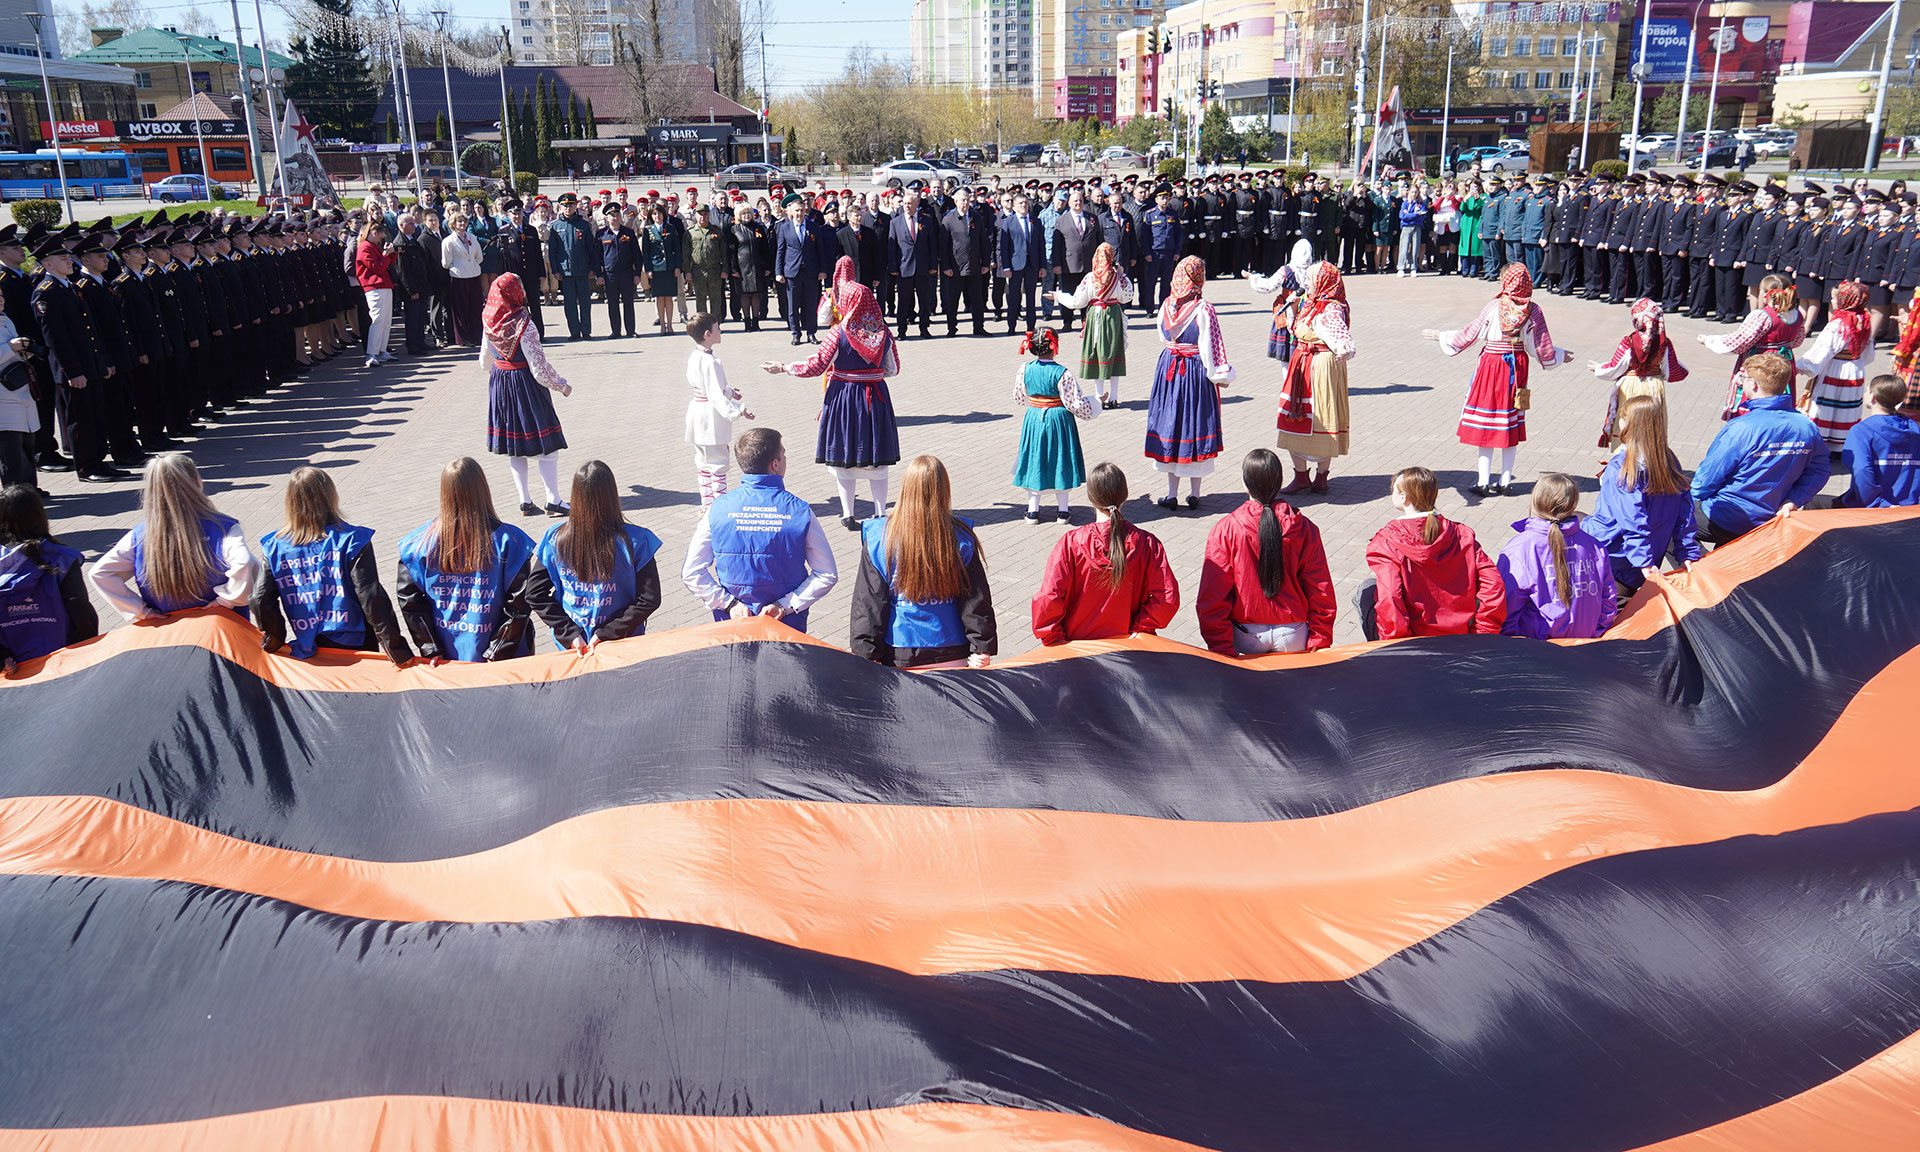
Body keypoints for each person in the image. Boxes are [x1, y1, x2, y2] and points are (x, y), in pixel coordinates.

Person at [761, 258, 900, 529]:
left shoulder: (839, 333)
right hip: (875, 397)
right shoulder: (884, 332)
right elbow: (893, 369)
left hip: (844, 397)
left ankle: (848, 514)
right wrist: (870, 373)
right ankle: (880, 513)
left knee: (846, 457)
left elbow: (817, 365)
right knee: (877, 461)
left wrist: (784, 367)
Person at [1424, 263, 1572, 496]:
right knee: (1510, 423)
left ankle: (1483, 481)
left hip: (1491, 365)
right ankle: (1505, 481)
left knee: (1487, 422)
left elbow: (1470, 334)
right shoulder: (1533, 310)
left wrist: (1442, 336)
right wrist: (1560, 355)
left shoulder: (1494, 306)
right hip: (1516, 367)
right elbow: (1540, 346)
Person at [252, 466, 412, 663]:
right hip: (355, 642)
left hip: (307, 643)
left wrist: (275, 637)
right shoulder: (352, 539)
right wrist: (396, 649)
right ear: (330, 495)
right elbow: (370, 596)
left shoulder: (275, 546)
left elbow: (259, 598)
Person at [849, 455, 996, 669]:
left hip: (900, 650)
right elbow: (975, 599)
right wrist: (982, 647)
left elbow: (869, 601)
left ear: (905, 489)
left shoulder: (878, 538)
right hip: (952, 649)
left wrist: (867, 653)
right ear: (944, 490)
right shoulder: (961, 537)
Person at [1195, 448, 1336, 656]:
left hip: (1244, 633)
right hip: (1293, 632)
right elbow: (1319, 586)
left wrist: (1220, 645)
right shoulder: (1304, 527)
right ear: (1279, 483)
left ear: (1245, 484)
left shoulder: (1226, 529)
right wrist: (1320, 637)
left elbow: (1213, 592)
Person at [396, 457, 536, 662]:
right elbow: (519, 605)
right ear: (483, 489)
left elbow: (410, 602)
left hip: (446, 656)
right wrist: (497, 651)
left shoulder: (418, 544)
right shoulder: (511, 541)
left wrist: (431, 648)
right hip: (503, 656)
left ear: (444, 492)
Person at [89, 453, 256, 623]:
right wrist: (226, 600)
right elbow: (245, 563)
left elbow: (100, 573)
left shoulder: (139, 535)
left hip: (168, 627)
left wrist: (140, 610)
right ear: (197, 483)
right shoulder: (223, 527)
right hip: (222, 624)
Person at [1029, 461, 1179, 645]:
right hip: (1128, 645)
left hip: (1077, 646)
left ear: (1091, 499)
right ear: (1124, 497)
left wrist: (1056, 641)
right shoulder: (1147, 543)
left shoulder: (1071, 543)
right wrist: (1141, 628)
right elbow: (1167, 598)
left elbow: (1049, 598)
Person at [1689, 353, 1829, 546]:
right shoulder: (1806, 426)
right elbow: (1820, 470)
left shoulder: (1741, 427)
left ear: (1753, 384)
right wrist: (1794, 500)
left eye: (1744, 377)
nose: (1741, 381)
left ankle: (1698, 563)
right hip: (1771, 516)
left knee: (1665, 520)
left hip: (1728, 517)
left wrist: (1688, 501)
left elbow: (1708, 478)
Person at [524, 460, 662, 652]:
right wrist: (608, 632)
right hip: (621, 641)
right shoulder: (637, 540)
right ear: (612, 495)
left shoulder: (555, 539)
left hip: (575, 646)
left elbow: (534, 594)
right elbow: (649, 598)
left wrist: (569, 633)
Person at [1358, 466, 1506, 641]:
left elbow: (1390, 595)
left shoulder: (1387, 541)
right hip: (1459, 634)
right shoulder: (1461, 534)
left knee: (1366, 590)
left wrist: (1398, 644)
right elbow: (1494, 584)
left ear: (1403, 497)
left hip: (1414, 638)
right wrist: (1482, 634)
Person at [1584, 394, 1702, 598]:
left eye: (1622, 417)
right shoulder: (1669, 461)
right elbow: (1685, 515)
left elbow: (1633, 520)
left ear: (1628, 424)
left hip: (1615, 558)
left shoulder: (1622, 467)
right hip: (1646, 556)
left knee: (1563, 526)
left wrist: (1644, 562)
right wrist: (1687, 553)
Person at [1144, 256, 1235, 510]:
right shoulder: (1204, 309)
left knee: (1172, 424)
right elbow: (1211, 348)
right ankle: (1194, 494)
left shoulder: (1166, 305)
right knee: (1194, 424)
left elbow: (1162, 336)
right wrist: (1221, 375)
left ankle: (1171, 494)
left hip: (1169, 369)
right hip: (1194, 371)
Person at [480, 273, 573, 517]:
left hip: (500, 384)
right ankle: (553, 499)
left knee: (515, 447)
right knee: (547, 446)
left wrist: (500, 373)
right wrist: (561, 385)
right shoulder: (524, 323)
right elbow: (538, 369)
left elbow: (484, 361)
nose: (522, 290)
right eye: (519, 287)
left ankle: (525, 500)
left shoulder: (488, 318)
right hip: (525, 385)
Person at [1495, 472, 1617, 641]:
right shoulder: (1595, 547)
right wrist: (1595, 633)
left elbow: (1505, 608)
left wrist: (1511, 643)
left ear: (1535, 501)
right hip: (1584, 644)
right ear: (1574, 504)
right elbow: (1608, 601)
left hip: (1538, 648)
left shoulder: (1520, 549)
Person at [1277, 261, 1356, 495]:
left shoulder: (1331, 308)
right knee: (1295, 416)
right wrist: (1292, 309)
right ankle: (1301, 476)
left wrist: (1345, 350)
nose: (1306, 283)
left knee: (1322, 415)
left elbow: (1343, 338)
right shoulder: (1310, 303)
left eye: (1311, 279)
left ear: (1323, 282)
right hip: (1303, 362)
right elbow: (1296, 330)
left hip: (1320, 365)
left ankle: (1321, 476)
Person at [0, 484, 97, 670]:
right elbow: (78, 606)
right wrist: (87, 646)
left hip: (11, 665)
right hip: (61, 658)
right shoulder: (62, 557)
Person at [1010, 328, 1098, 523]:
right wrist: (1095, 404)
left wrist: (1036, 401)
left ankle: (1033, 511)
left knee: (1035, 458)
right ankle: (1063, 511)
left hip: (1034, 417)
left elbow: (1019, 398)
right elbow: (1074, 403)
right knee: (1060, 458)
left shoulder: (1025, 369)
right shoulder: (1063, 373)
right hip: (1058, 419)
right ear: (1054, 346)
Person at [1700, 274, 1805, 420]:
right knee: (1779, 394)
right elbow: (1797, 341)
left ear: (1766, 295)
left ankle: (1749, 422)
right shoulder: (1797, 314)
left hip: (1761, 360)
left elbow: (1740, 342)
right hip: (1784, 360)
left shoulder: (1762, 315)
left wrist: (1709, 340)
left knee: (1757, 391)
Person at [1591, 298, 1689, 448]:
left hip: (1631, 386)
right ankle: (1652, 455)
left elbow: (1615, 368)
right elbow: (1670, 372)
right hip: (1654, 386)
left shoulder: (1629, 341)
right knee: (1652, 425)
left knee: (1629, 423)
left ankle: (1627, 456)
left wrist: (1598, 368)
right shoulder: (1664, 343)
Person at [1046, 241, 1133, 407]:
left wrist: (1058, 296)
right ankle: (1113, 398)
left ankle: (1099, 397)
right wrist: (1123, 275)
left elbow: (1077, 302)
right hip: (1113, 316)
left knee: (1097, 353)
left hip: (1096, 317)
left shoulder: (1090, 278)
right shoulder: (1117, 277)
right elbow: (1127, 297)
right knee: (1114, 353)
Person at [1815, 375, 1920, 508]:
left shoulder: (1862, 431)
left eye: (1866, 391)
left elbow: (1860, 469)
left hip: (1874, 508)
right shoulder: (1914, 429)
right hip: (1911, 506)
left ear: (1873, 397)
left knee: (1814, 503)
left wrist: (1879, 504)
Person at [1796, 279, 1877, 450]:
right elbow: (1869, 351)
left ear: (1846, 300)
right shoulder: (1865, 321)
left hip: (1836, 369)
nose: (1832, 301)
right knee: (1846, 406)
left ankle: (1822, 443)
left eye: (1835, 298)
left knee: (1828, 404)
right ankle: (1840, 444)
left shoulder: (1839, 323)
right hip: (1855, 368)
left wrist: (1803, 365)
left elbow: (1824, 348)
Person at [684, 312, 750, 505]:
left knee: (704, 462)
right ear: (707, 334)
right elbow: (714, 394)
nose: (720, 331)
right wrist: (739, 409)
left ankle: (707, 503)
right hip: (709, 418)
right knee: (718, 463)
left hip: (697, 413)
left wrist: (730, 392)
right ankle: (718, 505)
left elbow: (708, 387)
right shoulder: (711, 362)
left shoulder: (695, 356)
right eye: (717, 328)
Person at [545, 194, 602, 340]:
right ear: (560, 207)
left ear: (576, 206)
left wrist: (592, 269)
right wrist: (555, 270)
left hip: (582, 270)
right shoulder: (556, 226)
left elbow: (591, 249)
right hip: (565, 271)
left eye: (570, 205)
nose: (568, 208)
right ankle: (574, 332)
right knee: (570, 304)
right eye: (565, 205)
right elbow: (553, 251)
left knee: (585, 303)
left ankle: (586, 331)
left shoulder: (583, 225)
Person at [1250, 238, 1313, 367]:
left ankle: (1288, 379)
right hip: (1307, 311)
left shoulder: (1286, 270)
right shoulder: (1314, 271)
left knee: (1285, 354)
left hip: (1287, 309)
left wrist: (1253, 278)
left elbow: (1269, 286)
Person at [0, 304, 33, 491]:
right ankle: (15, 493)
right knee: (10, 445)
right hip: (3, 395)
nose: (0, 300)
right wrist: (10, 347)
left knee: (26, 441)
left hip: (20, 388)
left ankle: (29, 487)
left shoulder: (6, 320)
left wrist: (24, 350)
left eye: (1, 295)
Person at [354, 220, 396, 367]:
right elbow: (377, 267)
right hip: (374, 286)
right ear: (373, 233)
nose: (382, 238)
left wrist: (391, 254)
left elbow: (385, 264)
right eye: (380, 235)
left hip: (383, 285)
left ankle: (381, 350)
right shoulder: (365, 247)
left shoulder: (372, 246)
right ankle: (371, 353)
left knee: (386, 320)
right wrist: (386, 254)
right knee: (377, 320)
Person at [439, 213, 485, 345]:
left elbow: (479, 257)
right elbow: (446, 263)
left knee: (475, 307)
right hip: (459, 277)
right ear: (453, 224)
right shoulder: (448, 241)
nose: (462, 224)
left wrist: (471, 265)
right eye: (459, 221)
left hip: (474, 275)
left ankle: (477, 335)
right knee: (461, 309)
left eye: (464, 221)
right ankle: (464, 338)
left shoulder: (472, 238)